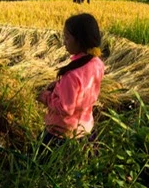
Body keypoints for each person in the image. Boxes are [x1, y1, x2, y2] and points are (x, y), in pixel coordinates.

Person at [38, 13, 105, 147]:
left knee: (42, 163)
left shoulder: (72, 75)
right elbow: (81, 89)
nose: (64, 42)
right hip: (85, 129)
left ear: (80, 40)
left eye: (67, 38)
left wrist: (45, 97)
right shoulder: (97, 63)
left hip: (62, 135)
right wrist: (59, 85)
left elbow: (65, 108)